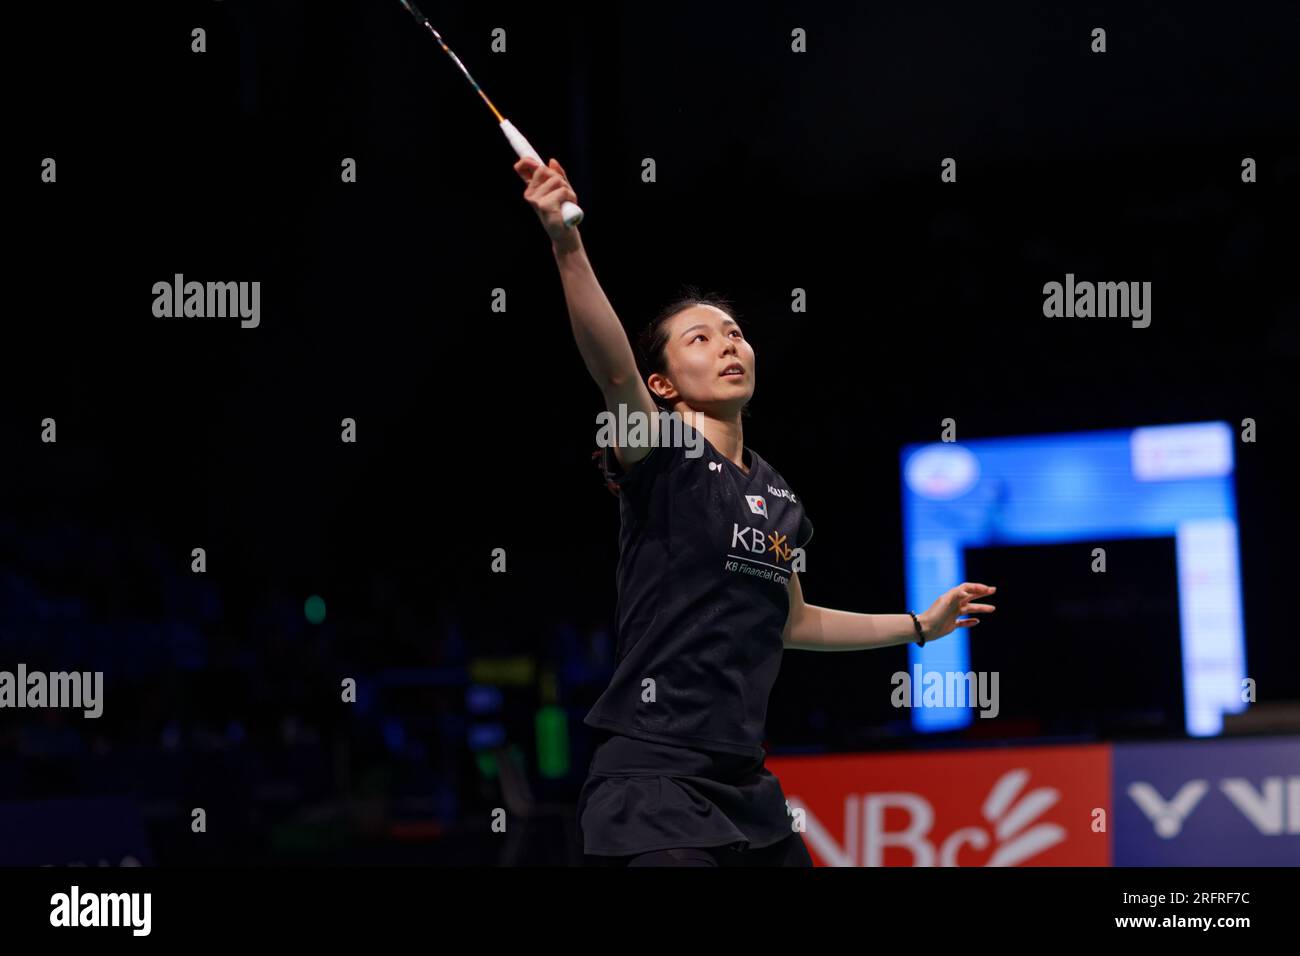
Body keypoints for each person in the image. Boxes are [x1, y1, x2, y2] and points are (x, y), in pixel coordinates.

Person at [514, 155, 997, 867]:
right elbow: (611, 368)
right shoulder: (662, 454)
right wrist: (566, 242)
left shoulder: (778, 496)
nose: (728, 344)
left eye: (734, 332)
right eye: (699, 339)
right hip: (651, 777)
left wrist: (920, 627)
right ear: (664, 385)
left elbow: (794, 621)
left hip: (744, 783)